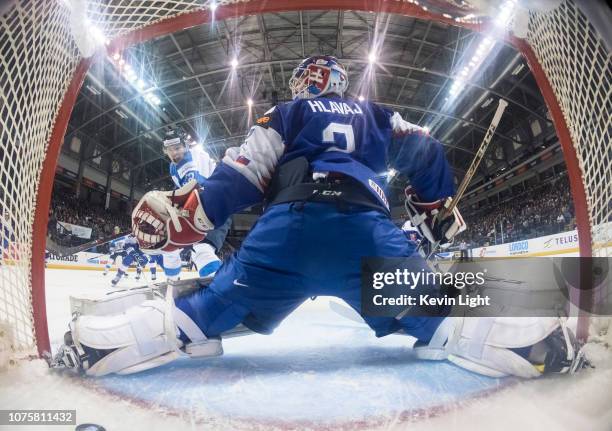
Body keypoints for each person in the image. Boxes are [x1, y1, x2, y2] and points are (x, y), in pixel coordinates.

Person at [52, 55, 587, 378]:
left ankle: (91, 347)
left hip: (287, 233)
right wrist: (432, 209)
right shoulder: (378, 115)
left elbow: (244, 173)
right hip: (367, 233)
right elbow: (424, 149)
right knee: (445, 312)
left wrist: (190, 215)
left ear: (307, 83)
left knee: (199, 313)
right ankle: (543, 341)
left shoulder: (288, 112)